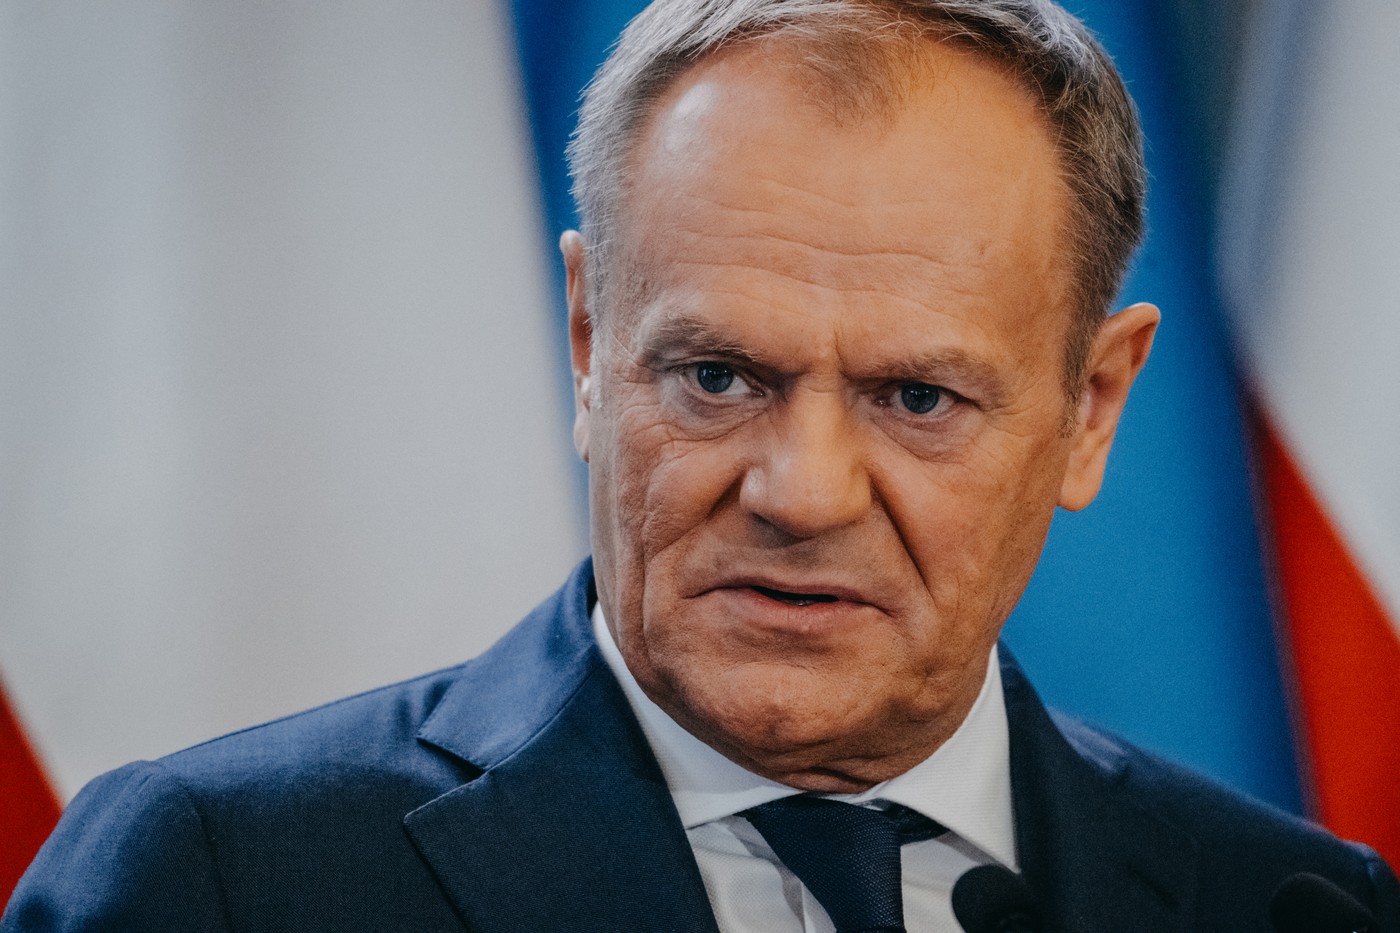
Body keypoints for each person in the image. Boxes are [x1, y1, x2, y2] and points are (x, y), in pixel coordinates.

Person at [5, 0, 1397, 930]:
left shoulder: (1288, 906)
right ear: (588, 343)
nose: (801, 492)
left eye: (917, 397)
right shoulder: (221, 881)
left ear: (1091, 408)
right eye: (719, 377)